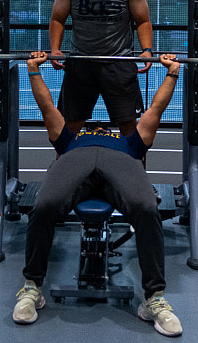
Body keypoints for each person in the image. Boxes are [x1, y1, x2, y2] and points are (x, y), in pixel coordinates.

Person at [12, 51, 183, 337]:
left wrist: (173, 71)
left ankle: (154, 299)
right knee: (44, 205)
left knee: (146, 206)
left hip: (121, 164)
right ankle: (32, 289)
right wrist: (33, 69)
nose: (99, 125)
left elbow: (156, 108)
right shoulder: (70, 138)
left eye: (102, 125)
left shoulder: (129, 142)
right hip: (74, 159)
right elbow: (47, 107)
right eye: (95, 125)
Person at [50, 0, 153, 136]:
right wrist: (55, 49)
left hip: (119, 63)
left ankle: (133, 166)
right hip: (81, 62)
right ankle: (64, 165)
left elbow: (143, 21)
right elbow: (57, 19)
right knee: (71, 124)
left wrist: (147, 50)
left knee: (129, 127)